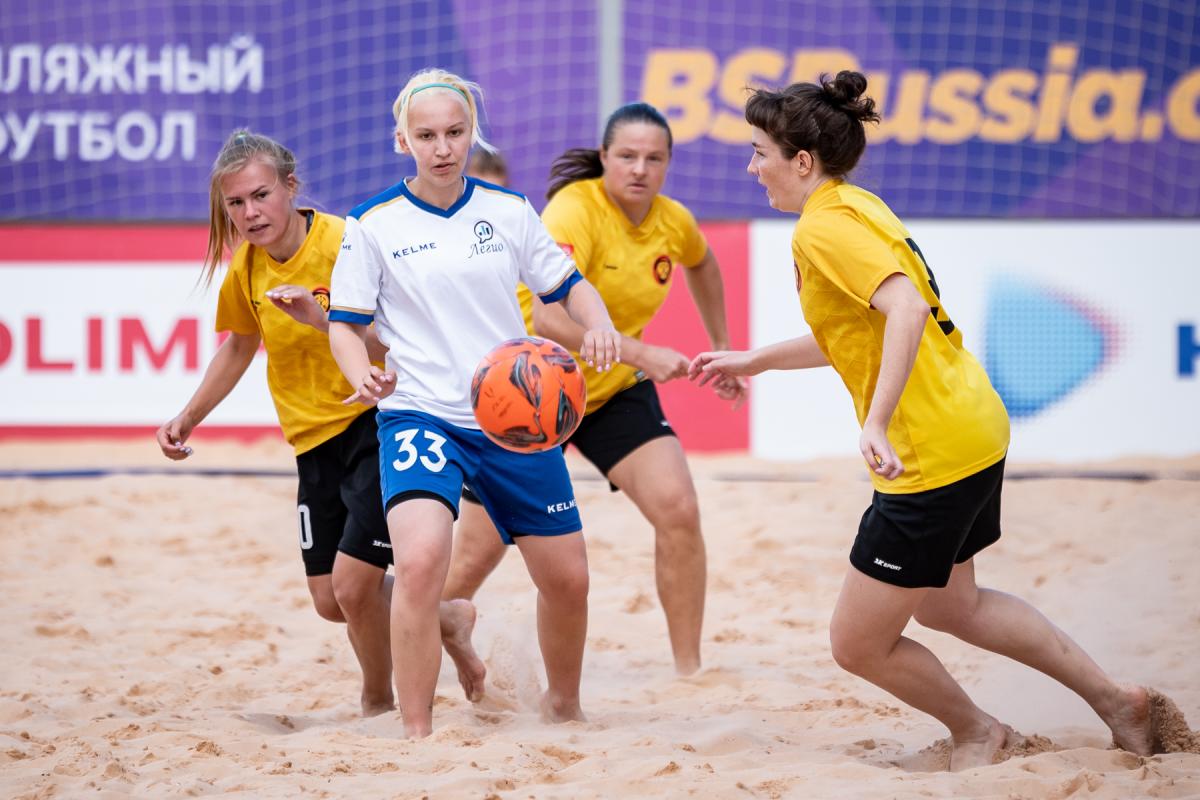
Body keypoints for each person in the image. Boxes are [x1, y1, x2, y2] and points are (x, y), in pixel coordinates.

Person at [687, 71, 1157, 770]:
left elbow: (905, 309)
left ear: (802, 162)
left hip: (928, 448)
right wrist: (755, 360)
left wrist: (875, 422)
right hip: (971, 424)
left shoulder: (822, 228)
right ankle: (1117, 701)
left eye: (759, 152)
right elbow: (858, 330)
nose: (750, 167)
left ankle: (979, 732)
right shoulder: (857, 205)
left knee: (857, 644)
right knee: (951, 606)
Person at [327, 68, 620, 738]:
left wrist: (599, 321)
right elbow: (345, 324)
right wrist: (360, 372)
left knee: (568, 579)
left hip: (515, 418)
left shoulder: (508, 211)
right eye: (426, 135)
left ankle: (564, 708)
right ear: (402, 140)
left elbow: (567, 285)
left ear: (472, 134)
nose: (442, 147)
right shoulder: (372, 224)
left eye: (455, 132)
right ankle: (418, 733)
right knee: (420, 563)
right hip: (420, 414)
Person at [155, 129, 485, 718]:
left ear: (290, 187)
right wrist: (189, 415)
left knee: (355, 587)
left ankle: (378, 702)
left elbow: (402, 342)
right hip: (312, 442)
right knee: (330, 599)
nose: (250, 213)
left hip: (377, 422)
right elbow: (239, 347)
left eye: (261, 195)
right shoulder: (245, 269)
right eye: (236, 203)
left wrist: (321, 319)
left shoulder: (347, 242)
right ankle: (446, 618)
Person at [442, 102, 745, 676]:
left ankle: (689, 672)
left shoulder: (673, 220)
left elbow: (703, 263)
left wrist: (722, 344)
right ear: (604, 156)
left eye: (654, 159)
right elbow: (549, 320)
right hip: (528, 390)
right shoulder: (574, 210)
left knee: (679, 509)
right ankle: (422, 634)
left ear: (669, 163)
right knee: (478, 552)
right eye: (627, 156)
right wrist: (643, 353)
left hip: (608, 392)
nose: (640, 169)